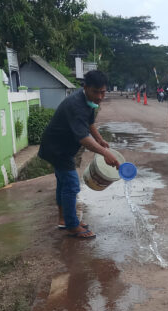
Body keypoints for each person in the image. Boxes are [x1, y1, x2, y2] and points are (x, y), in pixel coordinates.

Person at [38, 70, 119, 239]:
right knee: (71, 184)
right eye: (95, 92)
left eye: (102, 92)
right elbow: (83, 138)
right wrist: (104, 153)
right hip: (57, 148)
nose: (99, 97)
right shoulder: (76, 105)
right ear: (86, 87)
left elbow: (89, 124)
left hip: (61, 147)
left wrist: (100, 139)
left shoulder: (88, 102)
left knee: (63, 183)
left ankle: (65, 219)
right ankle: (72, 226)